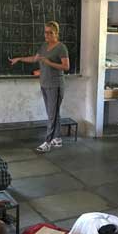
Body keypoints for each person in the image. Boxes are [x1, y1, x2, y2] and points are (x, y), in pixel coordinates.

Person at [9, 21, 70, 153]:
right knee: (52, 113)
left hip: (56, 85)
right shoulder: (43, 46)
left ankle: (47, 142)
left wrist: (49, 62)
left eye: (50, 33)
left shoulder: (61, 48)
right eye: (46, 32)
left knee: (52, 115)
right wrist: (19, 59)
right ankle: (57, 138)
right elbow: (34, 59)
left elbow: (66, 67)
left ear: (56, 33)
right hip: (44, 83)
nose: (47, 35)